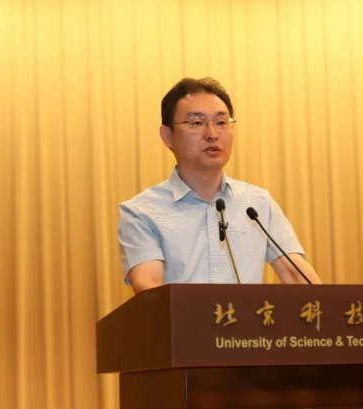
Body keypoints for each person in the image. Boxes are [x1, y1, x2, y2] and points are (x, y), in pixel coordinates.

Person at [118, 77, 321, 294]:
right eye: (196, 123)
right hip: (182, 318)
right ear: (168, 136)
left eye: (222, 122)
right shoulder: (141, 212)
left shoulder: (257, 203)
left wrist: (328, 305)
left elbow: (294, 273)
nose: (212, 134)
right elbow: (150, 290)